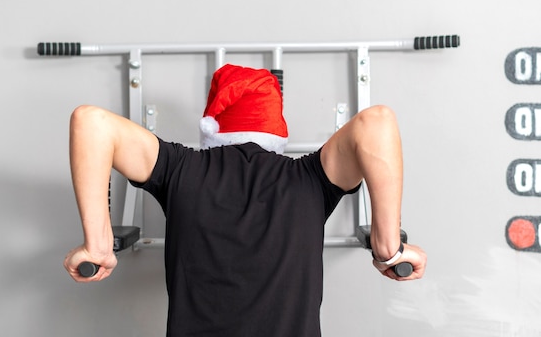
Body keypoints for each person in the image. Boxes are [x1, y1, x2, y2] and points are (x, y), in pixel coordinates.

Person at [63, 64, 427, 336]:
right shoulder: (308, 179)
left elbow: (90, 122)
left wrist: (98, 246)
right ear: (276, 131)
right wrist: (387, 246)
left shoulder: (182, 170)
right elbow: (377, 121)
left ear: (213, 128)